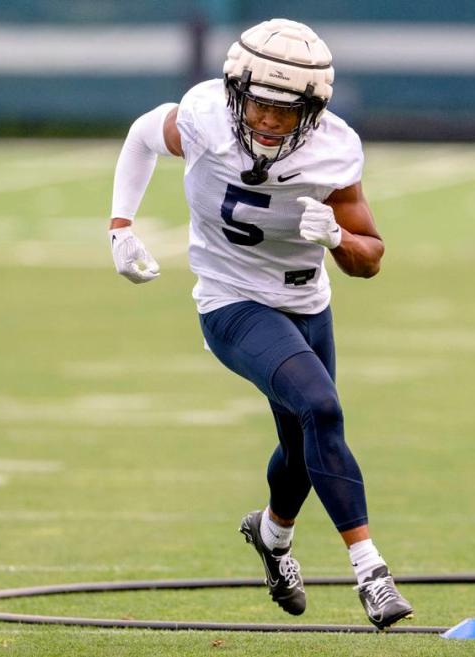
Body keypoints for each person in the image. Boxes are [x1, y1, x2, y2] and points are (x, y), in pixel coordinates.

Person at [106, 17, 413, 630]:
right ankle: (372, 572)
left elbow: (371, 258)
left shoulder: (334, 147)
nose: (269, 120)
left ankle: (271, 535)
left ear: (314, 108)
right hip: (232, 302)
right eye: (260, 103)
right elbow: (143, 135)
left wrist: (338, 237)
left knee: (304, 443)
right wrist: (120, 227)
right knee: (322, 410)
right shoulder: (205, 116)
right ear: (236, 90)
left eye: (286, 108)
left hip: (306, 304)